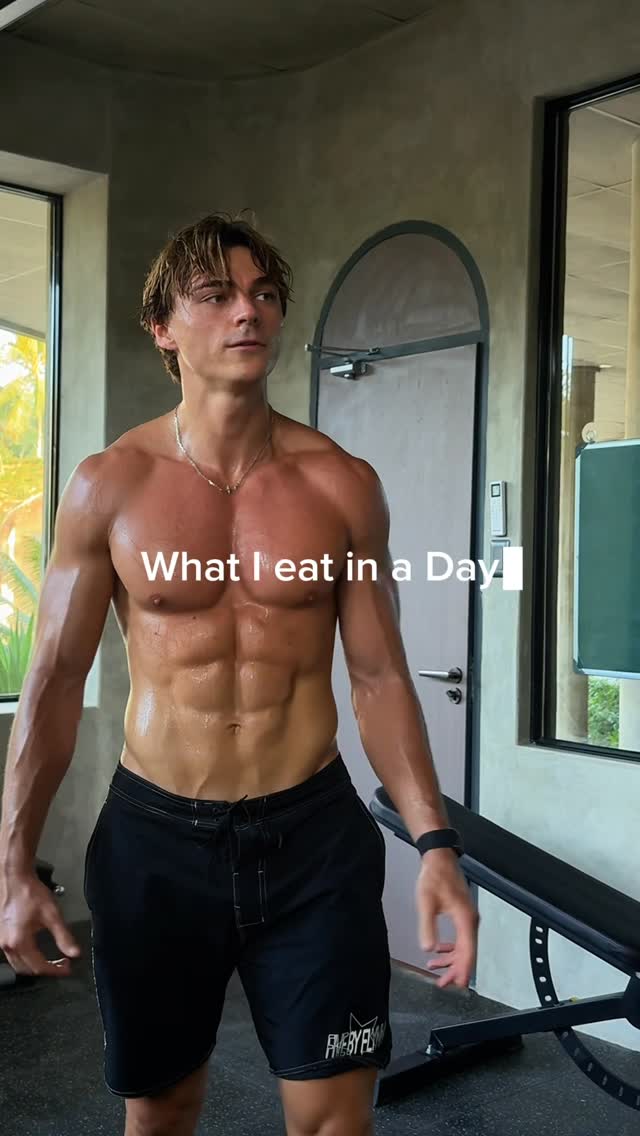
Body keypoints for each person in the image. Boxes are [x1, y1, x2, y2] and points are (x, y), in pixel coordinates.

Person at [0, 213, 478, 1136]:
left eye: (263, 294)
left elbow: (379, 675)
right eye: (216, 296)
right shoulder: (110, 485)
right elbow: (54, 679)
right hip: (155, 843)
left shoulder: (341, 484)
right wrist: (12, 861)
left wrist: (434, 843)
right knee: (163, 1113)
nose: (247, 312)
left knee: (335, 1121)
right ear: (163, 327)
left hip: (312, 841)